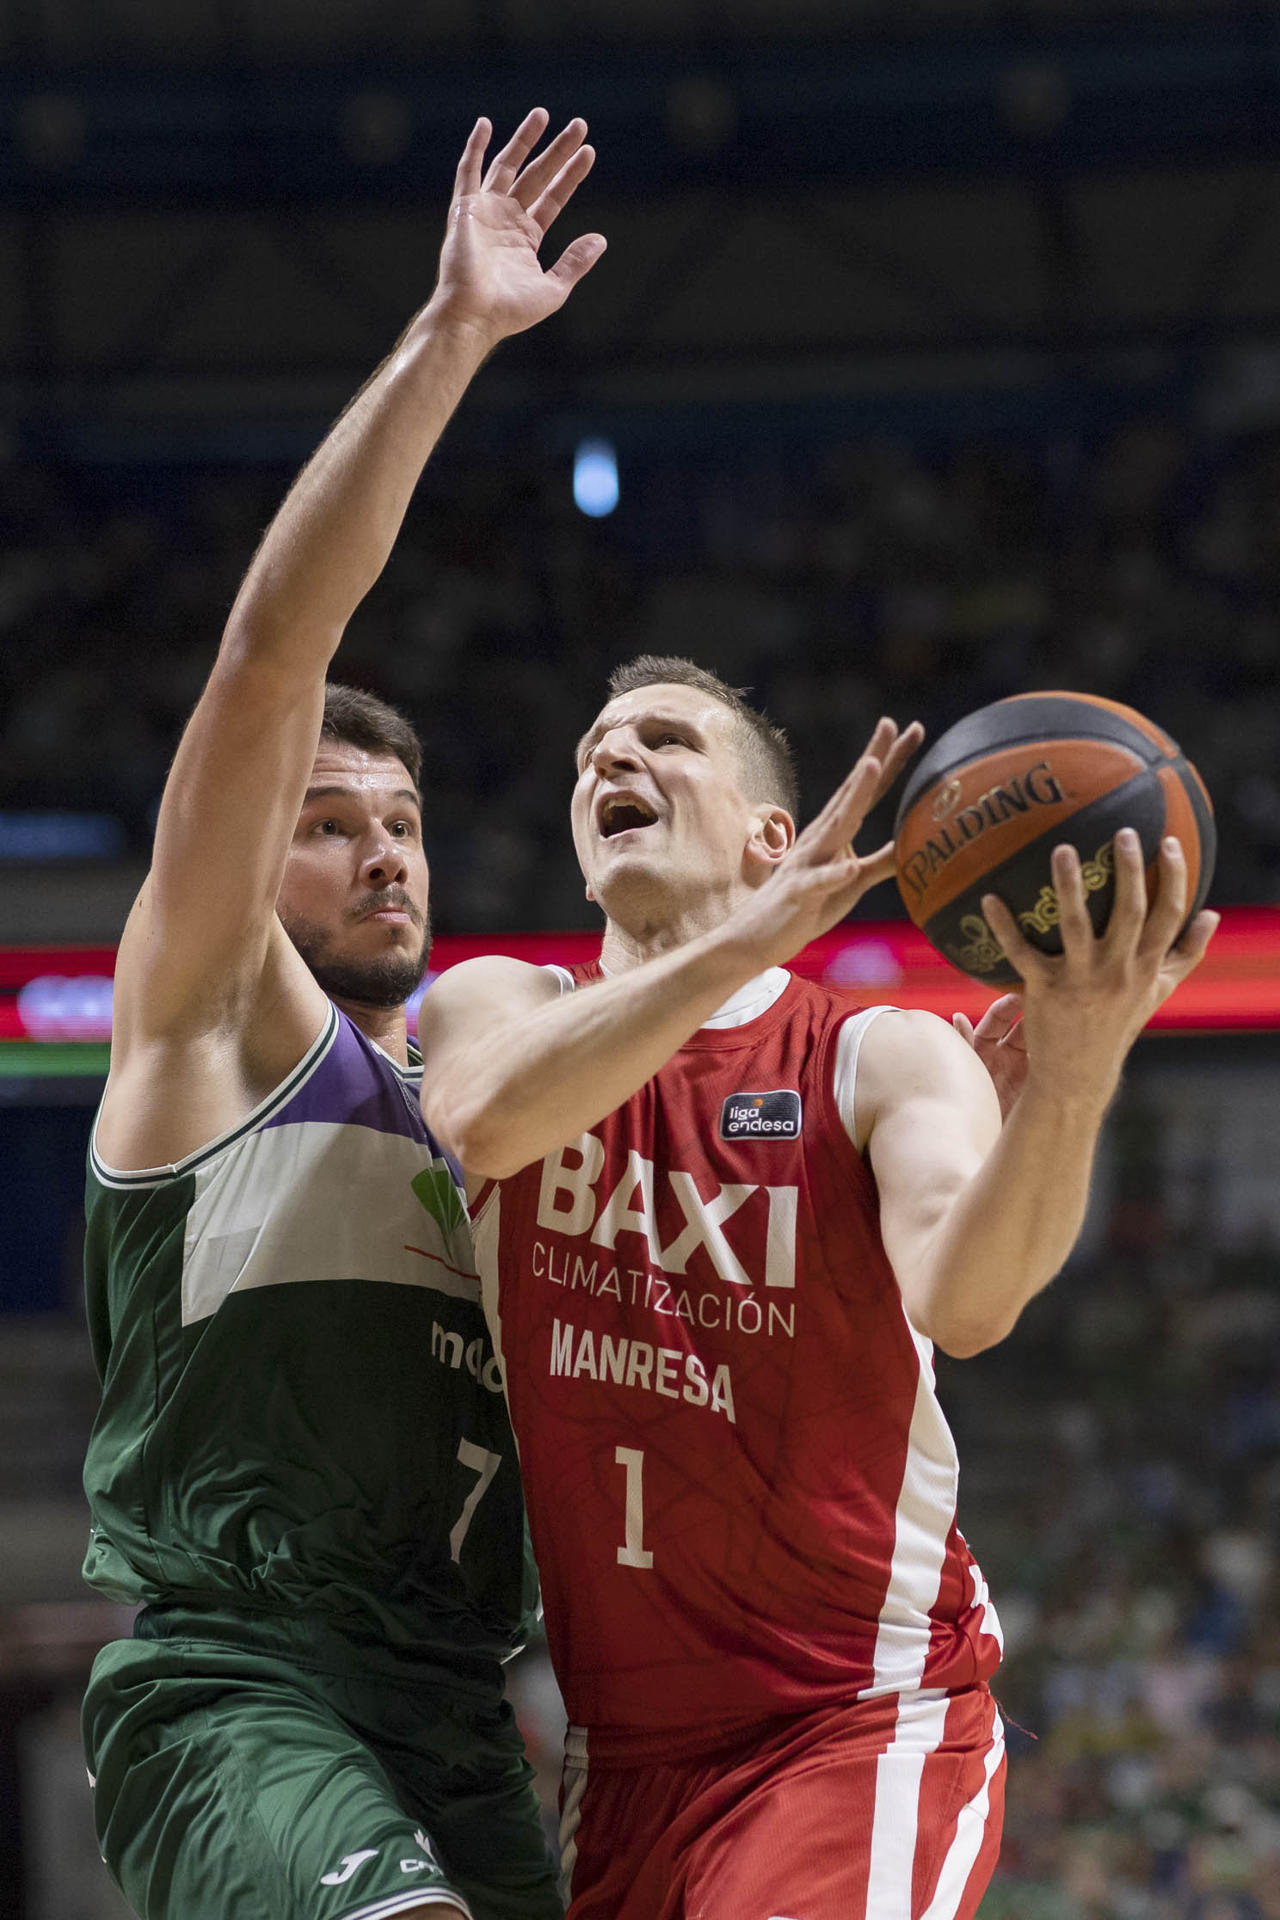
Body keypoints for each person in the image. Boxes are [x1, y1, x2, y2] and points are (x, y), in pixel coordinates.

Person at [415, 656, 1219, 1920]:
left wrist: (1068, 1082)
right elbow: (475, 1120)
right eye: (592, 752)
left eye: (664, 741)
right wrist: (738, 937)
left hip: (852, 1720)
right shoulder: (493, 1004)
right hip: (620, 1760)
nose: (610, 761)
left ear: (767, 838)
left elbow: (968, 1302)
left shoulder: (877, 1052)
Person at [80, 110, 605, 1920]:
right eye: (327, 822)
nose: (382, 855)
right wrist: (452, 337)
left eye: (403, 825)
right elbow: (270, 653)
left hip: (464, 1703)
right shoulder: (217, 1012)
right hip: (248, 1679)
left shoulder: (489, 1093)